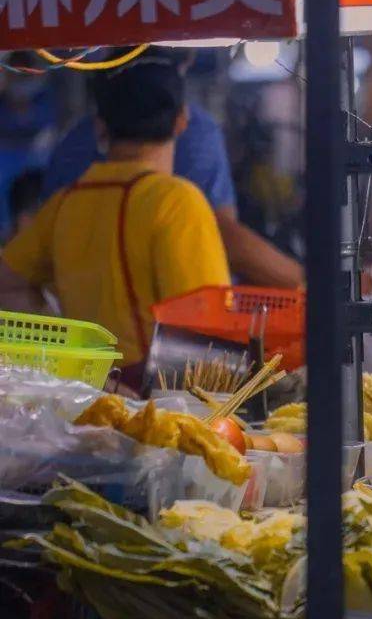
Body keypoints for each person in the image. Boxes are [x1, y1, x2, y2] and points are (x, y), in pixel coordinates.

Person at [0, 54, 229, 386]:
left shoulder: (65, 203)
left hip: (87, 397)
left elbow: (7, 284)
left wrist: (69, 354)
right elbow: (210, 342)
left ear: (100, 127)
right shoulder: (176, 201)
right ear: (182, 121)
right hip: (156, 405)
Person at [44, 50, 303, 289]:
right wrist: (306, 285)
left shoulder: (71, 153)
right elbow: (224, 236)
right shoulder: (180, 196)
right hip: (171, 327)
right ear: (181, 121)